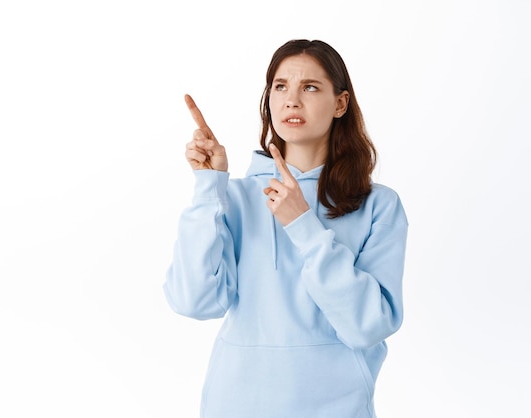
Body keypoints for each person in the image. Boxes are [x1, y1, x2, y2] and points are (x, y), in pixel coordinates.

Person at [163, 39, 408, 418]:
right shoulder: (236, 196)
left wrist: (303, 224)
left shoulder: (378, 205)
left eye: (310, 87)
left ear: (340, 103)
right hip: (235, 404)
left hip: (337, 407)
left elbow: (368, 325)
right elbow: (193, 301)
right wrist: (209, 188)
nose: (291, 100)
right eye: (280, 87)